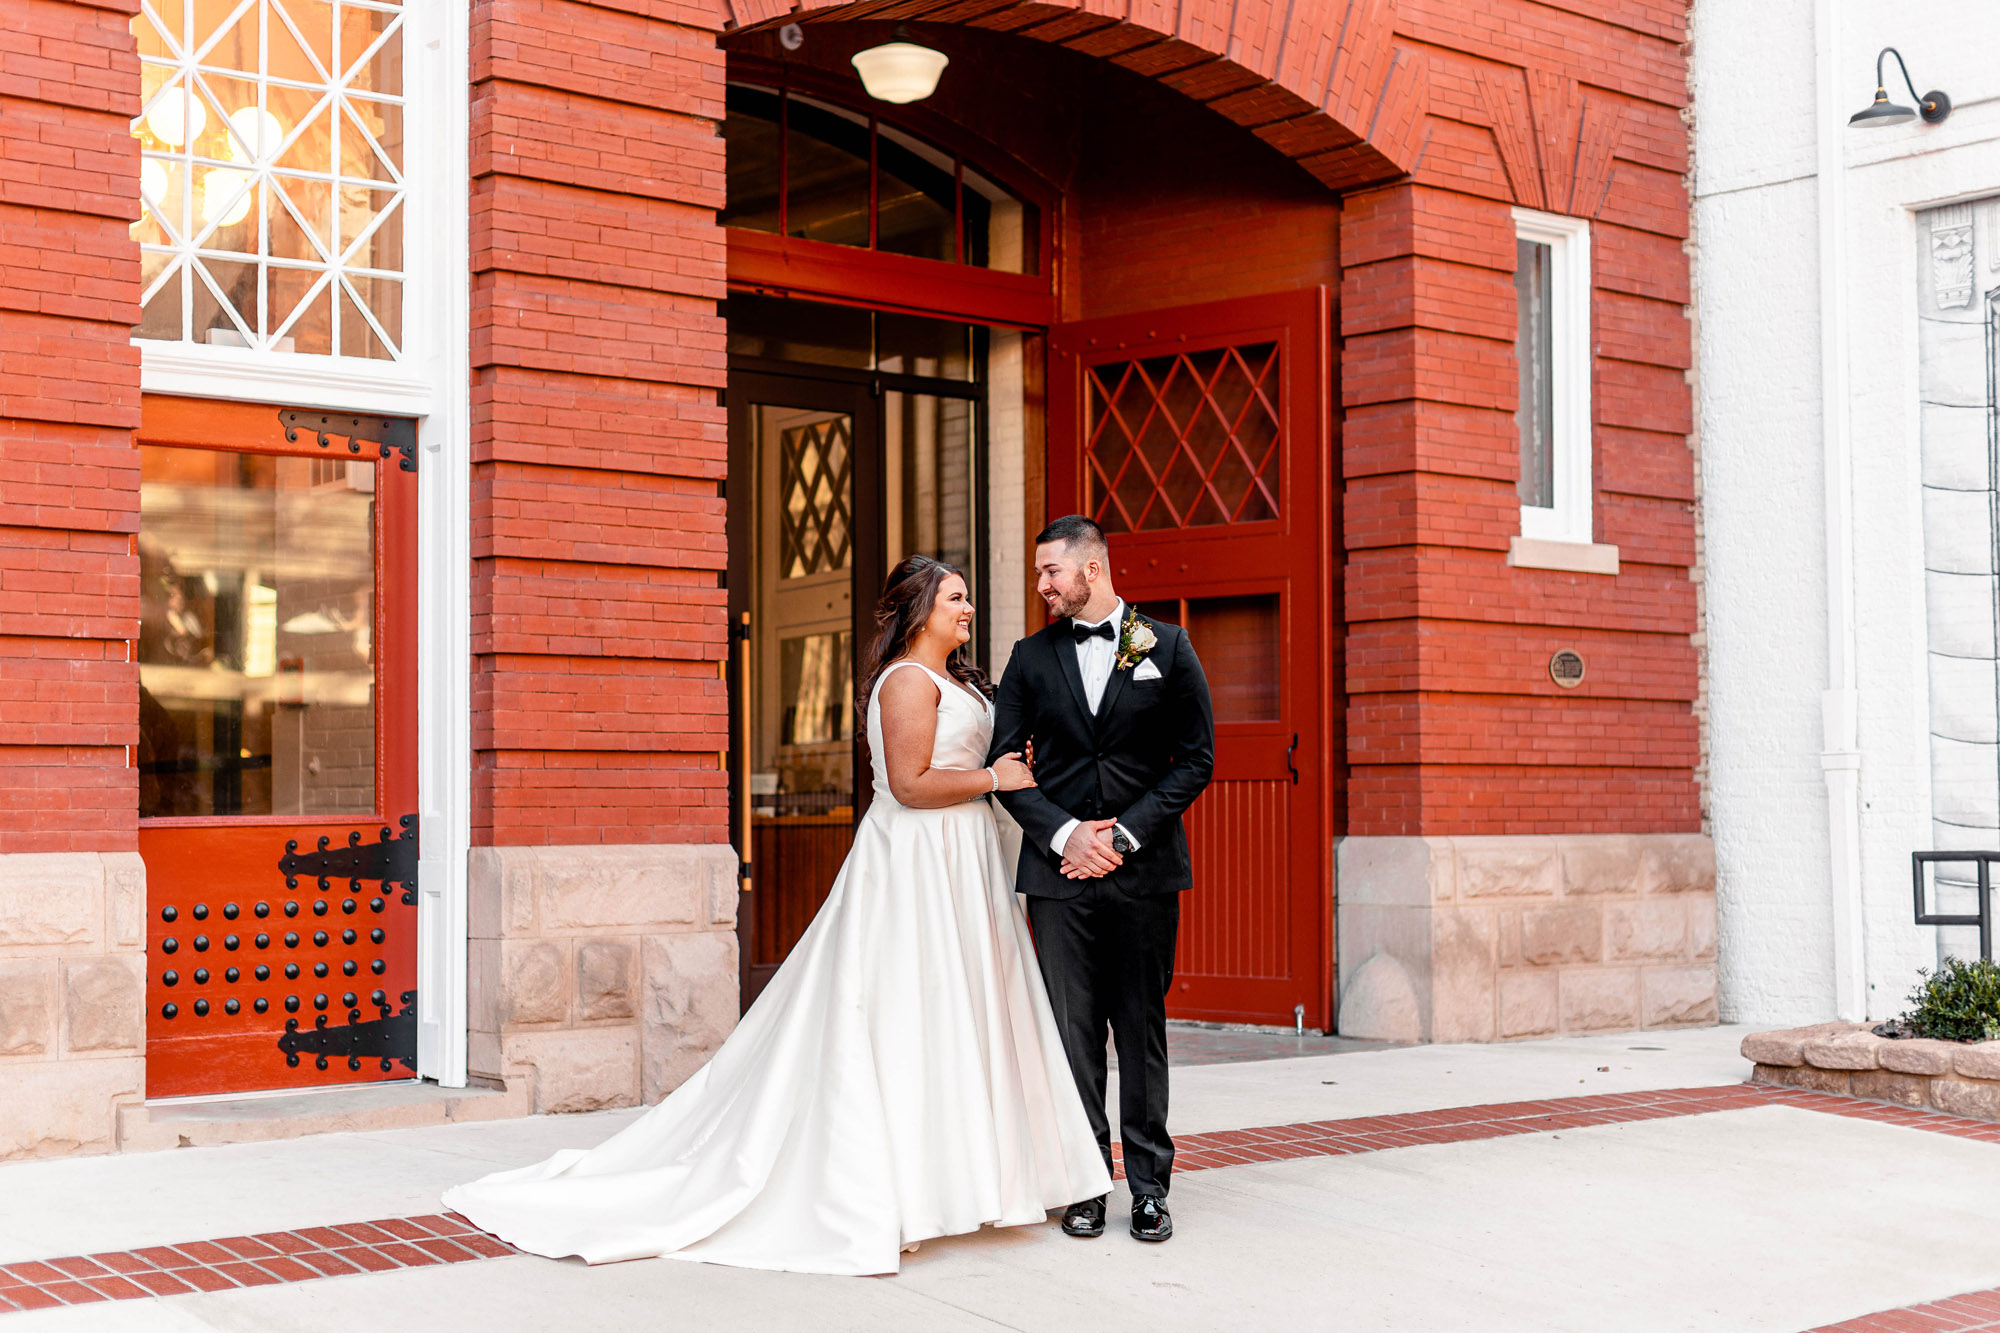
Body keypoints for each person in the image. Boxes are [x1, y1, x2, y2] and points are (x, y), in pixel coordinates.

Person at [442, 555, 1110, 1276]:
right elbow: (912, 784)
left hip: (963, 857)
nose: (968, 608)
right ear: (919, 609)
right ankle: (902, 1189)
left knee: (962, 1010)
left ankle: (972, 1177)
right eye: (956, 597)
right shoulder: (907, 682)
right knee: (907, 1009)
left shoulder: (958, 681)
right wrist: (994, 776)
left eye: (967, 597)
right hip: (917, 861)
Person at [986, 515, 1216, 1244]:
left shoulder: (1168, 646)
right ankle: (1086, 1182)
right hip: (1057, 878)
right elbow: (1003, 765)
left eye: (1052, 570)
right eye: (1038, 573)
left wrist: (1121, 833)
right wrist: (1064, 834)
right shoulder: (1028, 657)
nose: (1042, 584)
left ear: (1093, 568)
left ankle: (1150, 1187)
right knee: (1073, 1033)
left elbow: (1196, 759)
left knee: (1140, 1028)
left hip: (1143, 873)